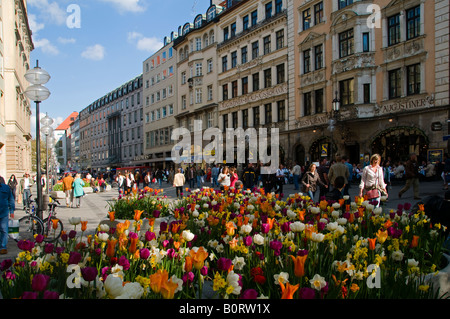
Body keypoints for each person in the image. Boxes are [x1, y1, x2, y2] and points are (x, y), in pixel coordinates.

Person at [0, 176, 15, 254]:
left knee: (4, 230)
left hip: (4, 212)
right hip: (4, 211)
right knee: (3, 230)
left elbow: (11, 199)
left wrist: (12, 210)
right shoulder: (6, 188)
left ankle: (3, 247)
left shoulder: (6, 188)